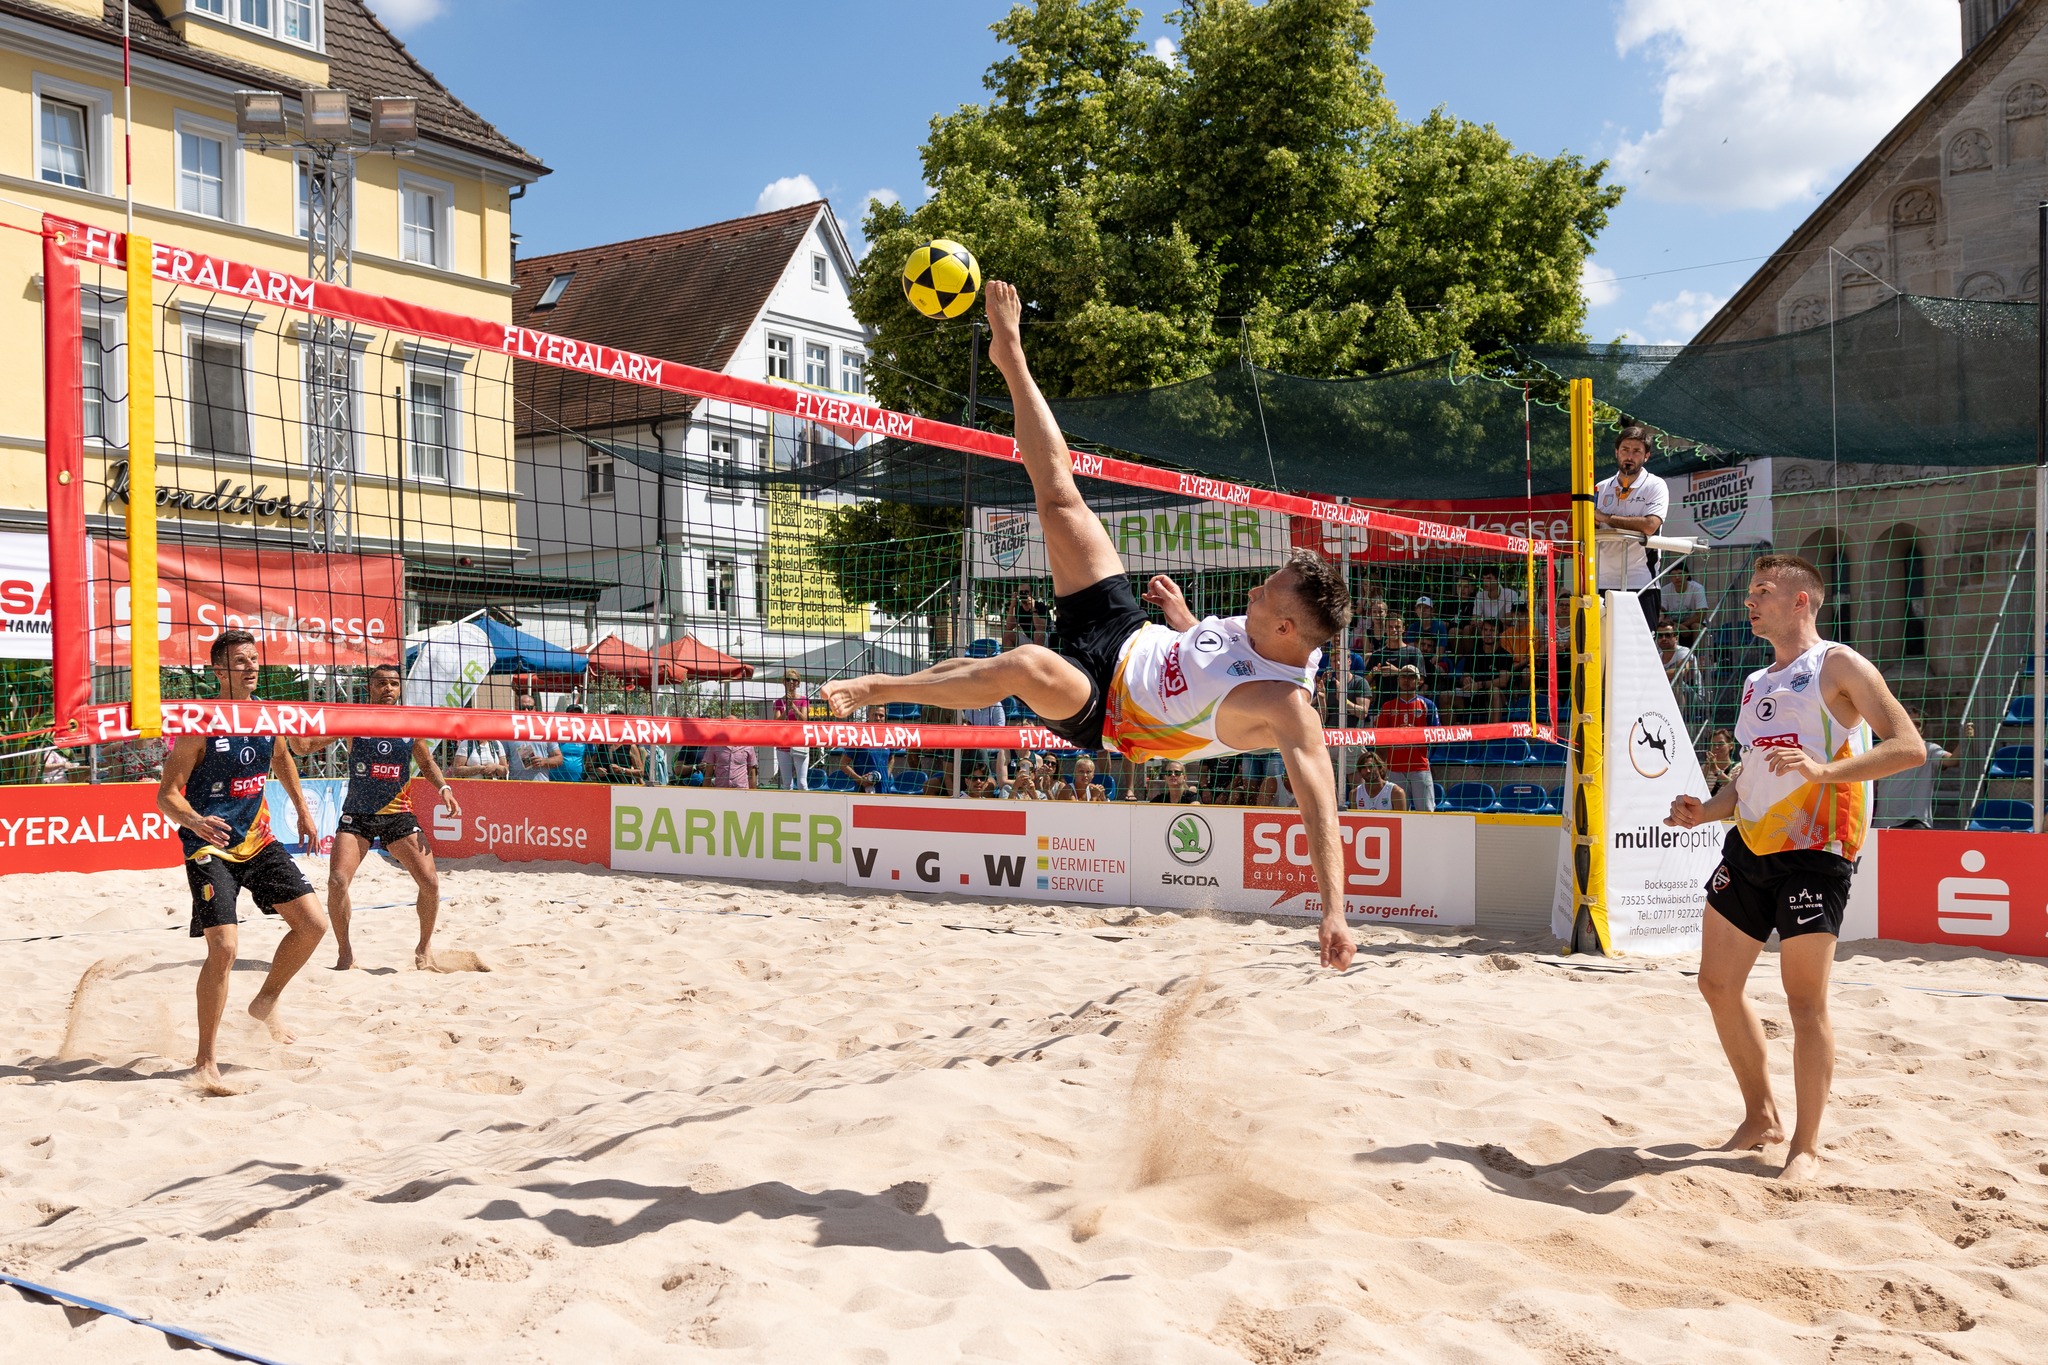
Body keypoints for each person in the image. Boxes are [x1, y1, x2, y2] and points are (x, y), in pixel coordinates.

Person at [820, 280, 1356, 969]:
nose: (1254, 586)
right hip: (1127, 630)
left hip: (1111, 712)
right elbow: (1215, 665)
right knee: (1060, 499)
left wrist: (1334, 910)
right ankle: (1012, 355)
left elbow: (1322, 805)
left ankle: (876, 690)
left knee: (1023, 664)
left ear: (1288, 631)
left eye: (1266, 590)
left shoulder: (1289, 707)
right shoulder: (1268, 629)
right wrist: (1184, 619)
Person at [1665, 554, 1926, 1182]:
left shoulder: (1837, 664)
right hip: (1750, 846)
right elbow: (1749, 777)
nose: (1749, 601)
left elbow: (1908, 747)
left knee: (1804, 1003)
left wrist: (1825, 771)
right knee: (1716, 985)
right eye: (1750, 591)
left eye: (1762, 590)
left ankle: (1805, 1147)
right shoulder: (1757, 683)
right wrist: (1708, 810)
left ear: (1802, 600)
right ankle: (1761, 1117)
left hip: (1817, 851)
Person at [155, 629, 324, 1095]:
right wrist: (195, 821)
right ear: (218, 671)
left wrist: (305, 812)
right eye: (240, 662)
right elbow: (166, 796)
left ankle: (265, 1000)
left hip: (257, 839)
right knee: (225, 948)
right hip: (209, 845)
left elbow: (282, 756)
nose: (251, 667)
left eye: (254, 659)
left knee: (312, 925)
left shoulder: (267, 713)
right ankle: (205, 1060)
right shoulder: (200, 723)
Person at [294, 663, 459, 972]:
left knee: (431, 883)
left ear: (399, 689)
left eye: (394, 683)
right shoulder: (356, 720)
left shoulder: (409, 724)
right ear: (369, 687)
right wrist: (288, 724)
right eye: (381, 683)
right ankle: (345, 953)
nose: (388, 688)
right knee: (337, 881)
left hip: (398, 816)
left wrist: (444, 788)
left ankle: (424, 947)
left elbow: (426, 763)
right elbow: (304, 747)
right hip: (358, 814)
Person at [1594, 424, 1670, 634]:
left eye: (1636, 451)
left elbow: (1650, 525)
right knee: (1602, 653)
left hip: (1641, 582)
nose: (1630, 456)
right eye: (1625, 450)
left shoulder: (1656, 485)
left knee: (1640, 654)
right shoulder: (1600, 487)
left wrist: (1607, 518)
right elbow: (1588, 527)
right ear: (1616, 452)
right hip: (1601, 583)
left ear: (1646, 456)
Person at [1874, 704, 1973, 829]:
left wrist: (1965, 739)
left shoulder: (1929, 750)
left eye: (1917, 724)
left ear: (1922, 730)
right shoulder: (1880, 750)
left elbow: (1952, 761)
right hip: (1883, 823)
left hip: (1915, 822)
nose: (1913, 727)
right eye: (1909, 723)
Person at [1374, 665, 1439, 812]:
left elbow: (1436, 735)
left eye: (1411, 677)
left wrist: (1415, 733)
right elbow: (1380, 738)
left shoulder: (1427, 705)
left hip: (1419, 766)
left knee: (1426, 811)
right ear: (1398, 680)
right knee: (1399, 813)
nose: (1407, 680)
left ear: (1419, 681)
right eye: (1403, 676)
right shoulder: (1387, 706)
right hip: (1395, 768)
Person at [834, 706, 895, 792]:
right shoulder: (859, 735)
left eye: (881, 715)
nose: (878, 718)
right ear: (868, 715)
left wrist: (885, 777)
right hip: (864, 791)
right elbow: (843, 764)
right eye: (875, 715)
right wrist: (860, 780)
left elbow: (891, 759)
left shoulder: (888, 735)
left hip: (884, 791)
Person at [506, 694, 562, 781]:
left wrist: (544, 761)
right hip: (516, 785)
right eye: (522, 707)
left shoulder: (545, 729)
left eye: (529, 707)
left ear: (534, 709)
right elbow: (502, 760)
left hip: (540, 785)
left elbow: (559, 759)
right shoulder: (508, 731)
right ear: (516, 709)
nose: (526, 710)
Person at [771, 670, 812, 791]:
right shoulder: (779, 702)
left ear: (798, 683)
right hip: (783, 745)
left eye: (794, 680)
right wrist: (786, 709)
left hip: (800, 743)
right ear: (784, 682)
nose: (791, 682)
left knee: (802, 783)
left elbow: (804, 719)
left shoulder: (804, 700)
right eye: (788, 679)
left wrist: (793, 708)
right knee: (787, 784)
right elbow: (776, 722)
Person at [1657, 622, 1703, 723]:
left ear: (1676, 638)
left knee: (1675, 682)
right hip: (1669, 698)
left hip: (1694, 699)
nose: (1663, 638)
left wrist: (1656, 676)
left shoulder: (1684, 651)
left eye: (1668, 635)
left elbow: (1681, 671)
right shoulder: (1658, 657)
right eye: (1660, 635)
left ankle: (1676, 721)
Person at [703, 709, 758, 790]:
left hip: (742, 790)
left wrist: (754, 794)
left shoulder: (748, 745)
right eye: (728, 726)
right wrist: (705, 793)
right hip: (721, 790)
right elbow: (708, 772)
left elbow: (752, 771)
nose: (731, 728)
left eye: (733, 725)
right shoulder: (714, 745)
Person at [1664, 562, 1709, 640]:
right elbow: (1661, 614)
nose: (1677, 577)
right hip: (1672, 624)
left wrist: (1682, 626)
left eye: (1680, 573)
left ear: (1687, 575)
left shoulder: (1697, 588)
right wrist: (1678, 627)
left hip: (1692, 624)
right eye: (1673, 575)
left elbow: (1701, 614)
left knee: (1697, 627)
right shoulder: (1665, 590)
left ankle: (1696, 652)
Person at [1702, 728, 1740, 795]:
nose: (1716, 747)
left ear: (1731, 746)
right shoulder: (1704, 767)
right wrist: (1704, 773)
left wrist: (1715, 770)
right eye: (1713, 744)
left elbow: (1736, 789)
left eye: (1721, 744)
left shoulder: (1738, 768)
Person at [556, 702, 588, 783]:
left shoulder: (586, 735)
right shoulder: (557, 732)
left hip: (576, 779)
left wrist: (586, 772)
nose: (574, 717)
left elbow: (591, 756)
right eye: (571, 714)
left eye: (578, 715)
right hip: (555, 778)